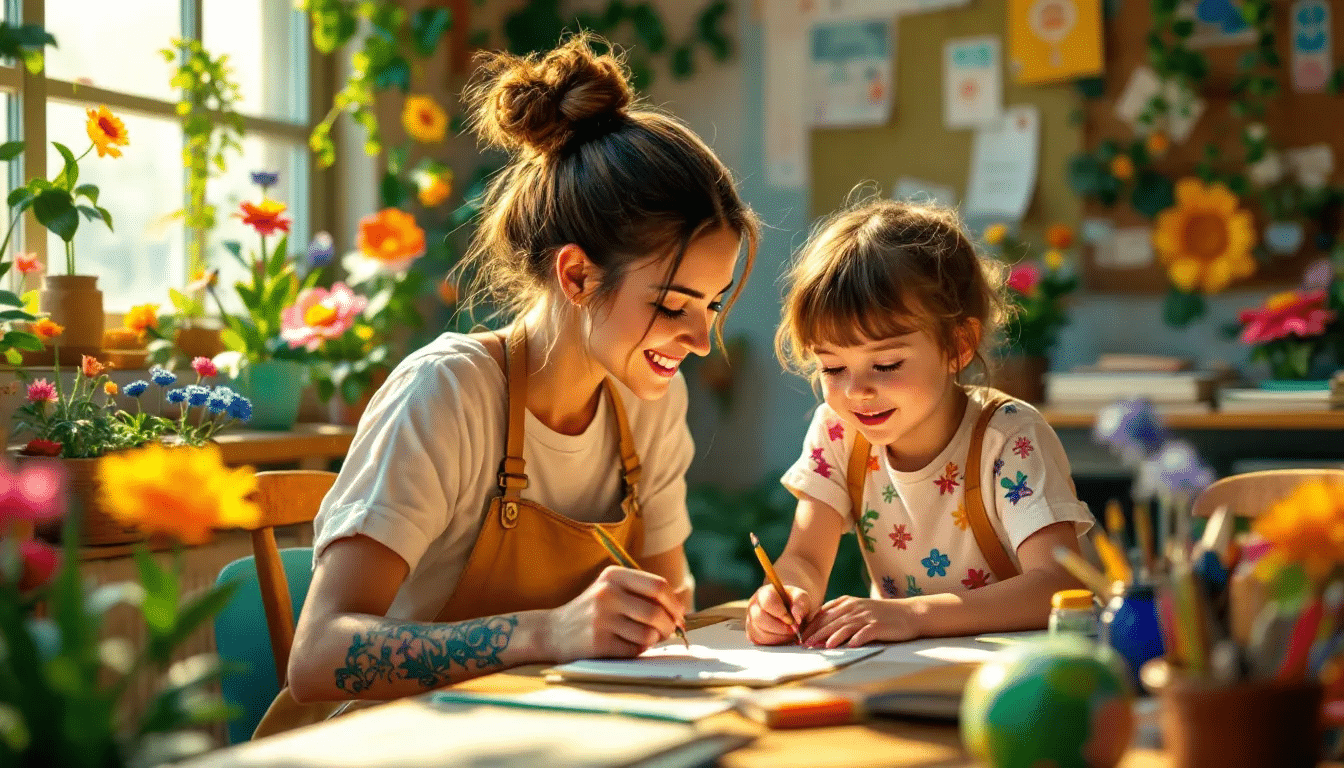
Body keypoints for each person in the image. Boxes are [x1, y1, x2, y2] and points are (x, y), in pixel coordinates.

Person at [274, 34, 759, 720]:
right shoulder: (448, 394)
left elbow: (666, 606)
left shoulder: (649, 399)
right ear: (577, 274)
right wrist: (545, 633)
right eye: (672, 305)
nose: (703, 341)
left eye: (711, 305)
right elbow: (319, 656)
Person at [745, 198, 1092, 648]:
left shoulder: (1009, 438)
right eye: (832, 368)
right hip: (904, 671)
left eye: (886, 364)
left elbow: (1059, 587)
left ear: (958, 345)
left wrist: (914, 615)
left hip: (1019, 677)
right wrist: (785, 595)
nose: (855, 392)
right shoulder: (838, 430)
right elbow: (806, 560)